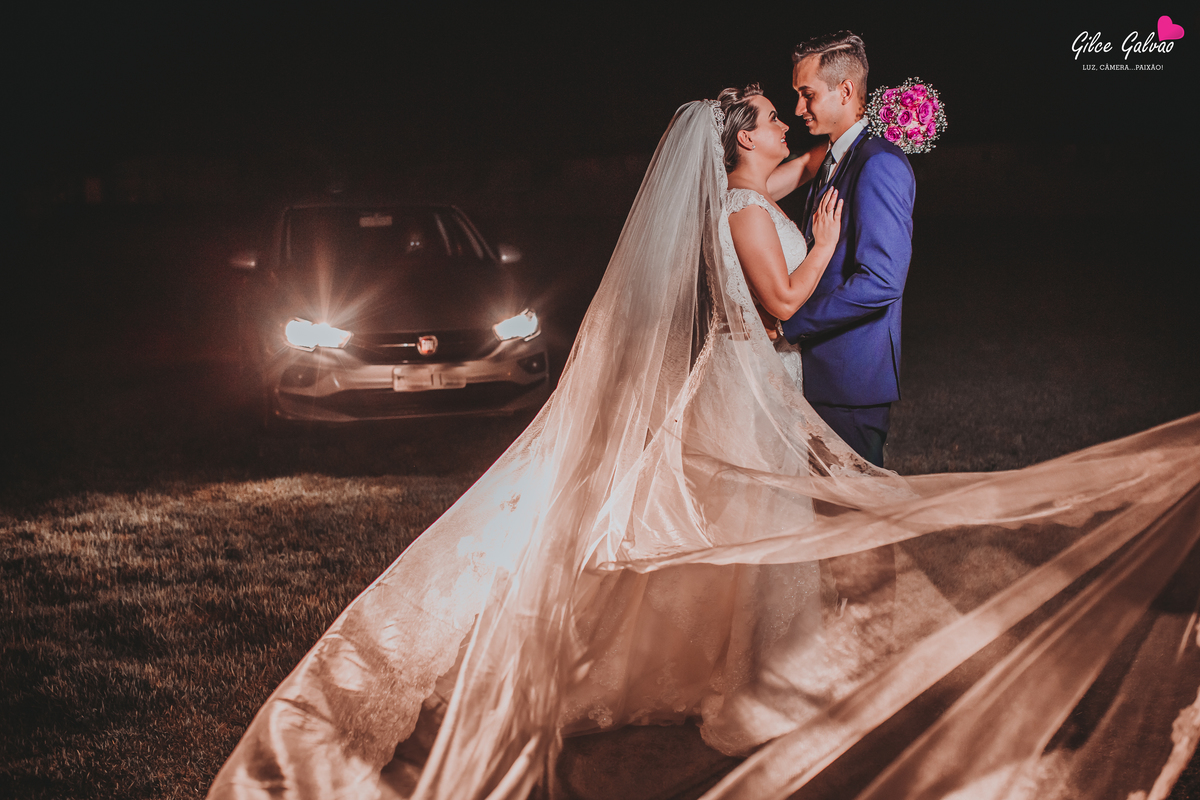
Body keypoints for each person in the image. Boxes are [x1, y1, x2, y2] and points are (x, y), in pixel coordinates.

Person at [207, 94, 1200, 800]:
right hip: (747, 379)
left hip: (754, 377)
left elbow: (816, 163)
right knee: (756, 523)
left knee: (749, 526)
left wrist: (874, 123)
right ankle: (758, 687)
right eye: (771, 115)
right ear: (740, 142)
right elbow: (785, 301)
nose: (784, 121)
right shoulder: (743, 210)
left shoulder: (746, 192)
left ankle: (745, 665)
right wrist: (825, 242)